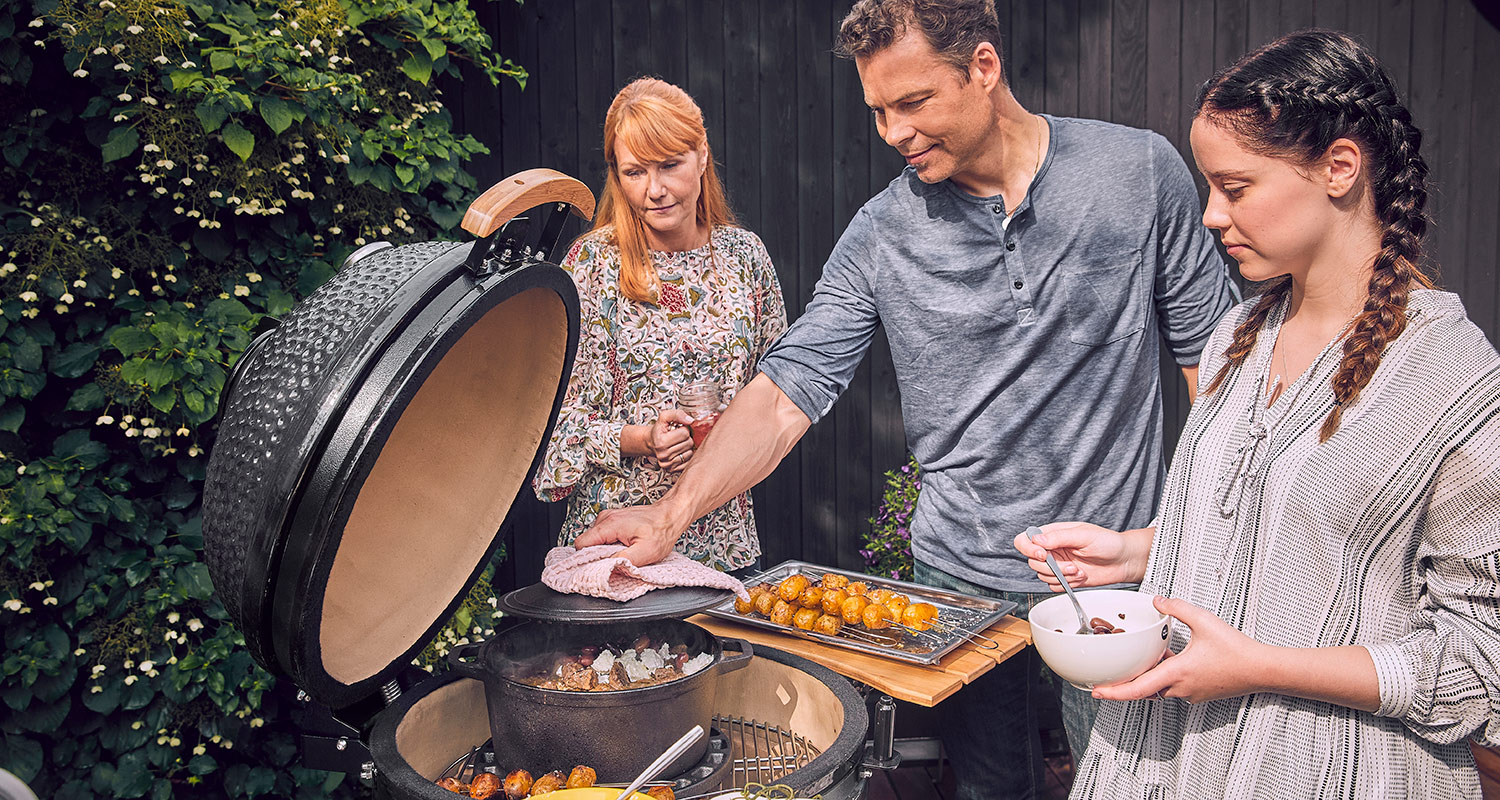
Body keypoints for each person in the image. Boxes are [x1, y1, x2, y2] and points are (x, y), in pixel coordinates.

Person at [574, 2, 1238, 797]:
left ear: (983, 69)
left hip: (1118, 578)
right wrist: (670, 516)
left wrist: (1192, 540)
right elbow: (788, 391)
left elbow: (1218, 369)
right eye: (877, 110)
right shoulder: (883, 231)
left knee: (1132, 784)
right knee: (993, 791)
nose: (892, 131)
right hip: (958, 588)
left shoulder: (1138, 174)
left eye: (912, 102)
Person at [1014, 29, 1500, 799]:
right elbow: (1286, 531)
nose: (1211, 214)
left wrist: (1260, 667)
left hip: (1326, 772)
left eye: (1236, 188)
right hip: (1160, 760)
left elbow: (1483, 663)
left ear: (1340, 168)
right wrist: (1137, 554)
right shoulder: (1237, 335)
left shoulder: (1452, 376)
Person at [533, 77, 787, 575]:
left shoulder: (745, 259)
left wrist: (718, 437)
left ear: (702, 155)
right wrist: (640, 438)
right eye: (634, 172)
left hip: (723, 546)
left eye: (670, 165)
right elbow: (545, 428)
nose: (654, 190)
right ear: (617, 176)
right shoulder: (592, 265)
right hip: (616, 548)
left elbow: (777, 400)